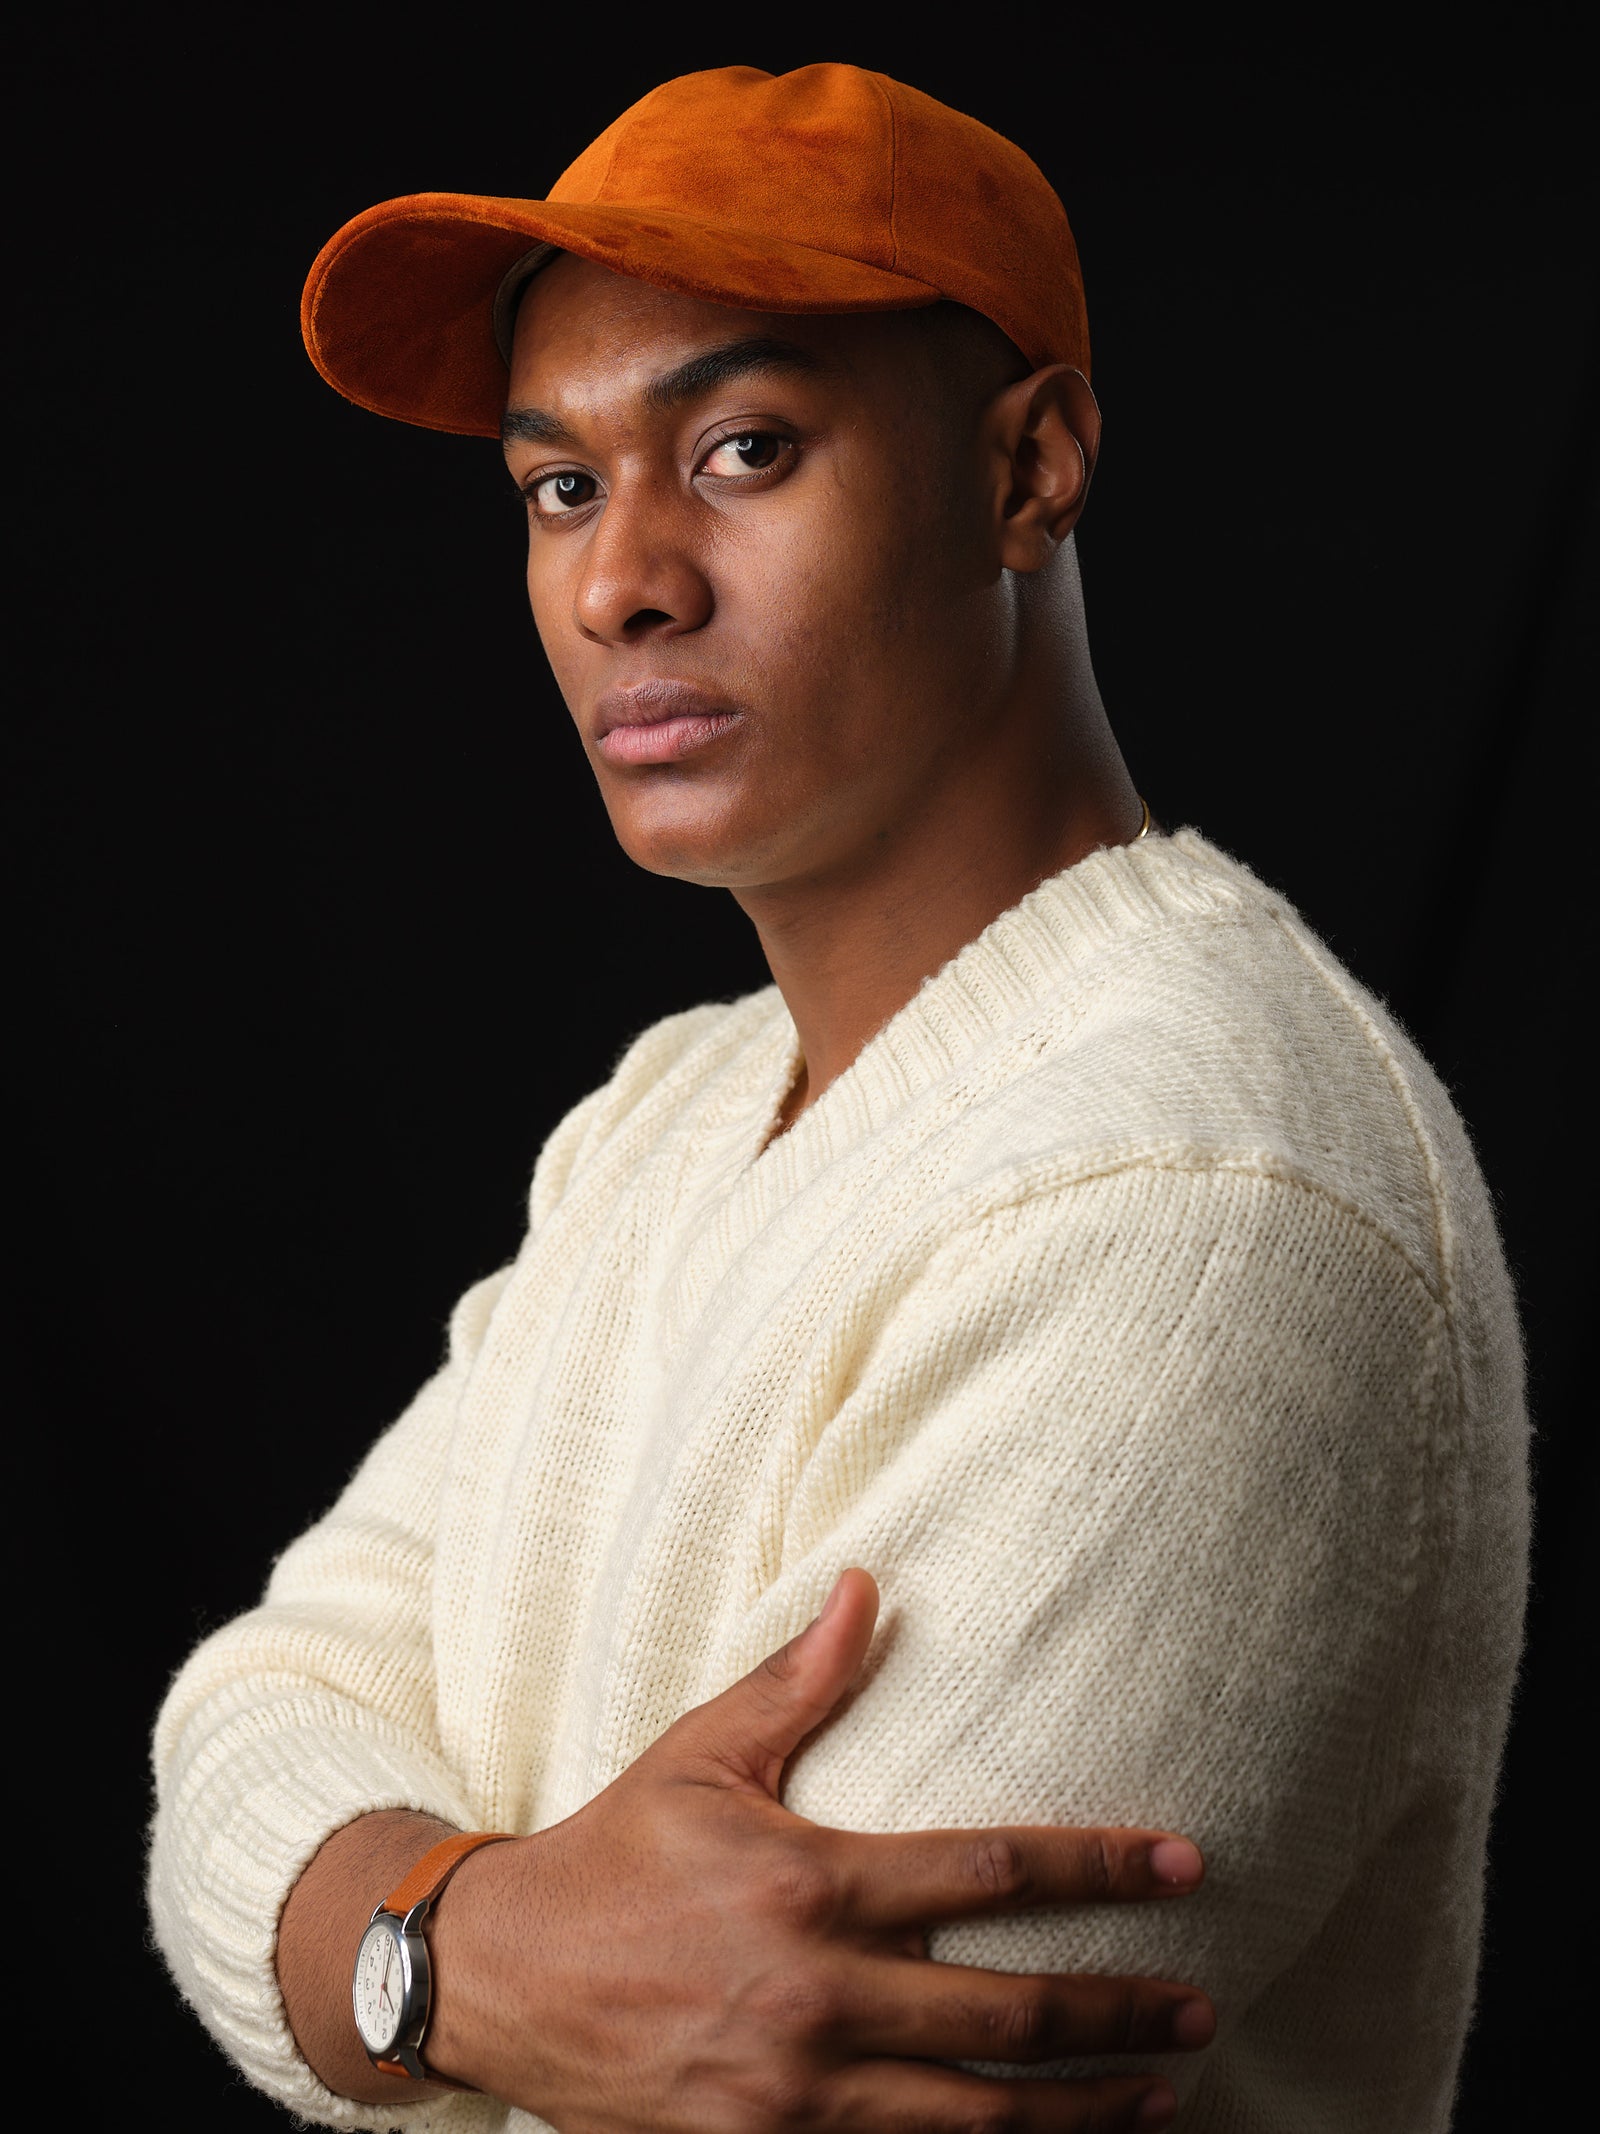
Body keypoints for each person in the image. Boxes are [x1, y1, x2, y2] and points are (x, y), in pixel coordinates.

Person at [148, 62, 1529, 2133]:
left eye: (741, 448)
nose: (623, 579)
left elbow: (788, 2095)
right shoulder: (667, 1116)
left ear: (1027, 470)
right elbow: (247, 1717)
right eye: (557, 485)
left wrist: (392, 1953)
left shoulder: (1193, 1191)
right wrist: (465, 1952)